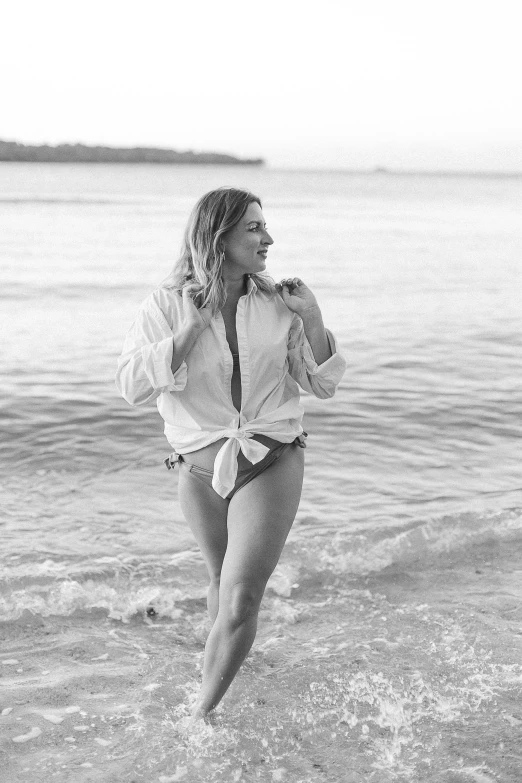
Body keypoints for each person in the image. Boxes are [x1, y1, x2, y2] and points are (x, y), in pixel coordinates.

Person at [116, 187, 346, 721]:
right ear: (216, 237)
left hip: (272, 457)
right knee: (220, 580)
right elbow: (131, 386)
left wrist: (311, 318)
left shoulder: (277, 303)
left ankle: (199, 716)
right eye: (253, 228)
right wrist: (190, 330)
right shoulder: (166, 305)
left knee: (241, 599)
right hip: (198, 468)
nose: (268, 238)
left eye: (264, 226)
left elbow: (319, 383)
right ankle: (221, 668)